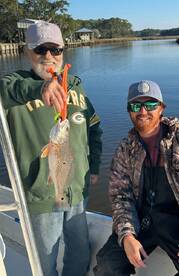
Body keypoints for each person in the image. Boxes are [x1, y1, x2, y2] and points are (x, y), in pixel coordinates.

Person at [0, 21, 102, 276]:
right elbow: (5, 89)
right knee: (45, 262)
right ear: (27, 52)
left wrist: (96, 166)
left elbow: (95, 129)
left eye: (55, 50)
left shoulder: (76, 87)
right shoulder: (16, 85)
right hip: (41, 196)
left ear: (63, 52)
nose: (48, 56)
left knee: (79, 253)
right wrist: (40, 88)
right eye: (40, 49)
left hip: (77, 191)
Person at [93, 80, 179, 276]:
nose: (143, 111)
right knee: (107, 265)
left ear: (162, 108)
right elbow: (120, 198)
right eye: (136, 106)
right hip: (141, 220)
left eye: (151, 105)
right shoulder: (124, 150)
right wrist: (127, 235)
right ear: (129, 110)